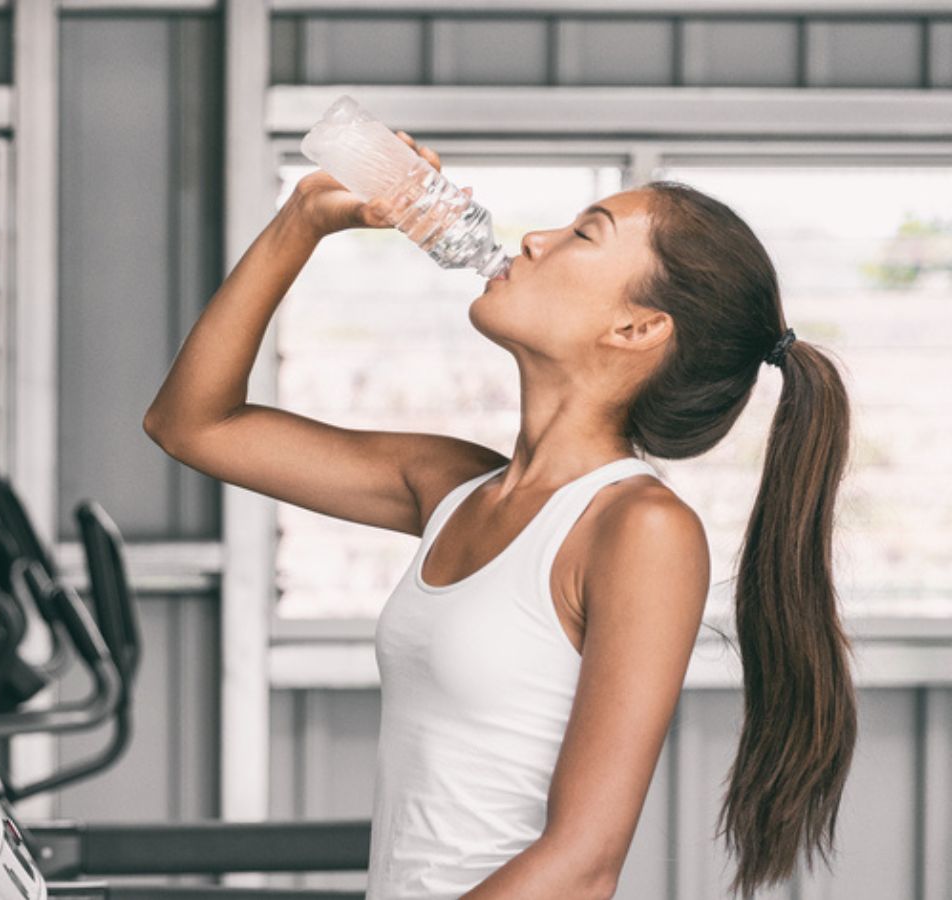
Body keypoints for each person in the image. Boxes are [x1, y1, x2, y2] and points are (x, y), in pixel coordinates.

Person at [142, 133, 857, 900]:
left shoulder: (641, 529)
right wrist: (302, 221)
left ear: (637, 329)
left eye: (583, 235)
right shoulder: (453, 487)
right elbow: (192, 425)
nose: (535, 238)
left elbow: (583, 865)